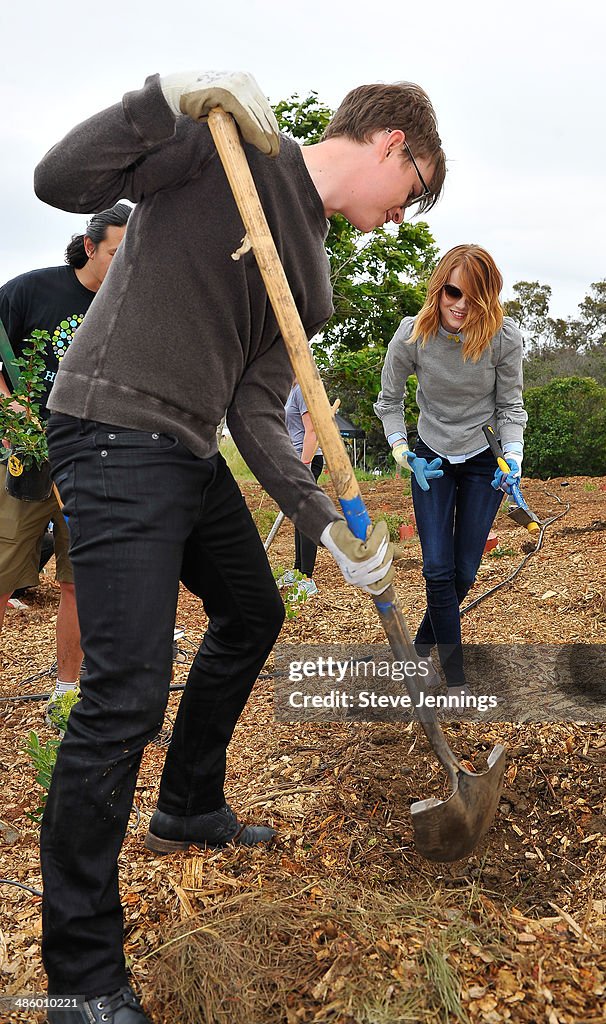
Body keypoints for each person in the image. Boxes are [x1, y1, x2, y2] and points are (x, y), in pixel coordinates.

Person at [34, 70, 445, 1023]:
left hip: (186, 442)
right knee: (125, 690)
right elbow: (61, 179)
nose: (401, 214)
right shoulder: (225, 144)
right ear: (392, 143)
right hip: (109, 423)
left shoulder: (315, 272)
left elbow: (258, 412)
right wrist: (161, 97)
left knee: (255, 610)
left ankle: (187, 806)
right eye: (414, 190)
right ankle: (82, 977)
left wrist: (332, 529)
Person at [374, 244, 527, 692]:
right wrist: (403, 452)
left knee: (463, 572)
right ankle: (454, 678)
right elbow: (390, 401)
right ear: (439, 289)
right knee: (436, 568)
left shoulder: (504, 338)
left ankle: (418, 650)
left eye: (475, 297)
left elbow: (510, 405)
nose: (461, 305)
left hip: (485, 458)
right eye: (454, 292)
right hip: (431, 457)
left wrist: (512, 456)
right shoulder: (411, 336)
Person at [0, 205, 131, 714]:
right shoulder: (30, 291)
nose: (125, 265)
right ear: (90, 245)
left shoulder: (132, 304)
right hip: (26, 457)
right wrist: (12, 410)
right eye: (117, 253)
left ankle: (67, 689)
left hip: (96, 459)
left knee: (79, 581)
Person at [278, 380, 324, 598]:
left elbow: (312, 430)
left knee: (306, 517)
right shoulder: (291, 390)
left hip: (308, 459)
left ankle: (307, 578)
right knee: (298, 517)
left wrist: (304, 464)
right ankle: (298, 570)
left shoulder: (302, 390)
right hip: (296, 459)